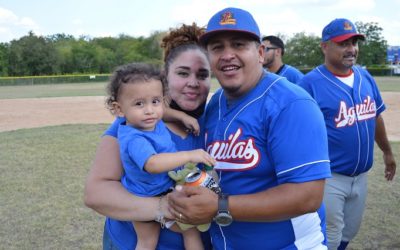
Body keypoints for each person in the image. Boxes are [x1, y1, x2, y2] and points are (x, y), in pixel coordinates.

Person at [167, 7, 332, 249]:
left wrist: (220, 206)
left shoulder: (291, 104)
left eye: (239, 44)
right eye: (217, 47)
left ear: (261, 53)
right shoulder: (216, 102)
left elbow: (308, 195)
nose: (227, 54)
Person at [84, 23, 214, 250]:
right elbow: (95, 194)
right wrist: (163, 207)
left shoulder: (213, 120)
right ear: (165, 76)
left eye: (203, 75)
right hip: (127, 240)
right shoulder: (133, 124)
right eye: (182, 73)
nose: (193, 82)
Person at [297, 18, 397, 250]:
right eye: (343, 43)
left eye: (354, 42)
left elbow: (375, 116)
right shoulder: (309, 84)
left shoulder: (364, 76)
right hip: (329, 177)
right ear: (324, 46)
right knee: (329, 236)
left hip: (361, 176)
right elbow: (298, 134)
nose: (351, 49)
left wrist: (388, 152)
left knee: (349, 231)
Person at [104, 62, 216, 250]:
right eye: (139, 103)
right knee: (147, 242)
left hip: (164, 189)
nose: (149, 110)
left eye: (155, 101)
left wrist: (181, 116)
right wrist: (189, 155)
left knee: (190, 229)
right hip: (144, 199)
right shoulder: (134, 138)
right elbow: (153, 164)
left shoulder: (149, 120)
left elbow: (160, 111)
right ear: (119, 109)